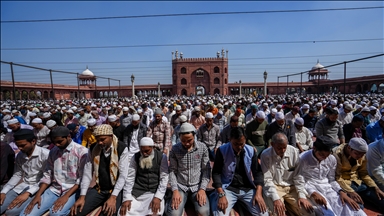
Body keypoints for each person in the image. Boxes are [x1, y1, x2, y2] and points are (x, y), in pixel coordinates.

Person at [21, 126, 88, 216]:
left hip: (73, 189)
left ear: (68, 136)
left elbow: (81, 179)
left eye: (59, 141)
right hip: (54, 189)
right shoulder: (53, 152)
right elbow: (47, 175)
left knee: (56, 213)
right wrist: (38, 195)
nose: (57, 145)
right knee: (26, 214)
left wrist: (66, 196)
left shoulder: (82, 151)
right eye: (54, 142)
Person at [296, 136, 366, 216]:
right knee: (328, 213)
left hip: (328, 188)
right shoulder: (302, 158)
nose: (323, 158)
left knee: (355, 211)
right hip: (310, 188)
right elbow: (299, 180)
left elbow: (331, 180)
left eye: (326, 155)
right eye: (321, 154)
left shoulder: (332, 159)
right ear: (314, 148)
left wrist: (341, 192)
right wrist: (313, 193)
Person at [71, 124, 128, 216]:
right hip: (99, 189)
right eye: (97, 140)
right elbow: (87, 173)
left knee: (109, 213)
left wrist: (113, 197)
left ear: (110, 136)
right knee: (76, 212)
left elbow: (122, 175)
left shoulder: (121, 148)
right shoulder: (94, 148)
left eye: (102, 139)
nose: (100, 143)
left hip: (115, 190)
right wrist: (82, 196)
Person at [211, 127, 268, 216]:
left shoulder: (251, 151)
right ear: (230, 140)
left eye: (242, 144)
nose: (239, 147)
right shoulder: (222, 150)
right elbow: (216, 173)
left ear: (245, 140)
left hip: (247, 189)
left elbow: (258, 173)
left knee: (263, 214)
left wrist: (258, 193)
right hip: (228, 188)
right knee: (219, 214)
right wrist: (221, 194)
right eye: (236, 144)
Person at [261, 133, 315, 216]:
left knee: (310, 212)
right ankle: (286, 205)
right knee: (277, 213)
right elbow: (267, 179)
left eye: (284, 147)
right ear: (272, 144)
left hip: (291, 187)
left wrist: (301, 195)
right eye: (279, 148)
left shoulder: (294, 151)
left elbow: (298, 176)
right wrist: (275, 198)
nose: (282, 150)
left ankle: (289, 205)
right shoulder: (265, 155)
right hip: (275, 187)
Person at [0, 129, 48, 215]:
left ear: (33, 141)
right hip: (22, 186)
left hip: (37, 188)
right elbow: (17, 174)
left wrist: (27, 193)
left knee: (11, 212)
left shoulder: (45, 155)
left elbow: (46, 178)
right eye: (18, 145)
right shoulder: (20, 155)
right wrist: (4, 191)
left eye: (22, 145)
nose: (19, 148)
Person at [167, 123, 211, 216]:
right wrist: (175, 190)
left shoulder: (202, 148)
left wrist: (202, 189)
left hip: (197, 186)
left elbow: (206, 170)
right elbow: (172, 171)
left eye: (189, 140)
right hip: (180, 186)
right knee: (174, 213)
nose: (186, 143)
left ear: (194, 136)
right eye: (183, 140)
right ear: (179, 137)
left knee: (204, 212)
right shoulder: (175, 150)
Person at [119, 137, 169, 216]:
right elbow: (130, 178)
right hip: (137, 192)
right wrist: (127, 198)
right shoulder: (135, 157)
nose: (144, 153)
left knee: (155, 212)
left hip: (154, 192)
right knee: (124, 212)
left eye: (147, 151)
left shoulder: (162, 157)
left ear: (153, 148)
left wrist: (158, 197)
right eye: (142, 151)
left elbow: (164, 178)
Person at [332, 137, 384, 212]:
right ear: (349, 148)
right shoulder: (336, 155)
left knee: (381, 199)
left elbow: (363, 174)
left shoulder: (361, 154)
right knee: (357, 208)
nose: (360, 156)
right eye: (357, 154)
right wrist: (350, 191)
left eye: (362, 155)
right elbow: (337, 177)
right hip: (344, 184)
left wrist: (375, 187)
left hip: (358, 182)